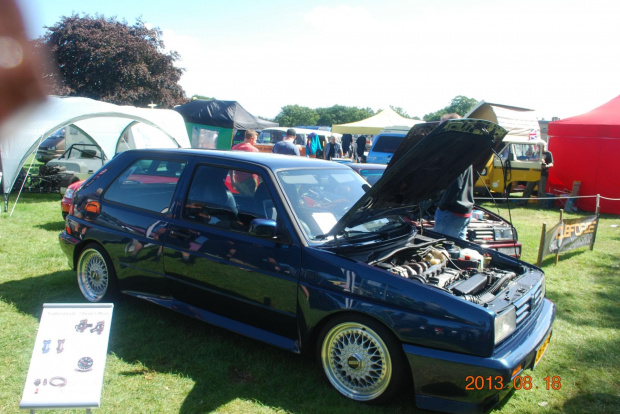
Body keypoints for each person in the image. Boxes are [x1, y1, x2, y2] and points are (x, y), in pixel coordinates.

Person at [433, 113, 474, 240]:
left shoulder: (452, 153)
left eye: (441, 126)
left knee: (441, 249)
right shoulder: (466, 150)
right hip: (464, 212)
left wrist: (442, 205)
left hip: (450, 212)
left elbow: (455, 184)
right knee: (457, 251)